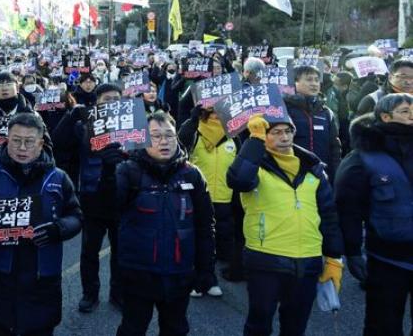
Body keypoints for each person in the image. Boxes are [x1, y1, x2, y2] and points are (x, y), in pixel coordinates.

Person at [0, 112, 82, 335]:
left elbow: (76, 216)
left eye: (29, 142)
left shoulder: (58, 177)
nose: (22, 147)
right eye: (16, 140)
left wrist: (58, 229)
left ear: (40, 143)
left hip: (41, 276)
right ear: (6, 140)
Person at [226, 115, 344, 336]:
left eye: (288, 131)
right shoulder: (256, 167)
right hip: (266, 258)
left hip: (308, 261)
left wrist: (334, 258)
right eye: (275, 132)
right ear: (264, 135)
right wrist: (254, 141)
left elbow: (328, 216)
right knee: (258, 325)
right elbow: (238, 179)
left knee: (295, 326)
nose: (284, 137)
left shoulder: (313, 169)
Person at [114, 112, 215, 336]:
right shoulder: (128, 171)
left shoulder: (192, 175)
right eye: (155, 136)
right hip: (138, 273)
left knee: (176, 328)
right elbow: (106, 209)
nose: (163, 141)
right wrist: (106, 173)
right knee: (132, 328)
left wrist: (205, 268)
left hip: (179, 273)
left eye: (169, 135)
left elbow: (205, 226)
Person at [335, 93, 413, 336]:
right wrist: (352, 251)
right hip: (387, 258)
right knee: (383, 325)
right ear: (385, 116)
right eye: (405, 112)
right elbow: (347, 209)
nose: (412, 117)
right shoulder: (362, 158)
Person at [51, 83, 127, 312]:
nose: (112, 102)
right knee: (90, 250)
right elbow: (59, 142)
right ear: (97, 103)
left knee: (121, 250)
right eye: (106, 99)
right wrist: (71, 115)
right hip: (92, 193)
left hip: (124, 194)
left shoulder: (132, 123)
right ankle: (89, 293)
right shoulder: (84, 124)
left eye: (117, 98)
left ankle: (118, 293)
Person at [177, 103, 236, 298]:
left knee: (213, 241)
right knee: (196, 240)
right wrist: (193, 118)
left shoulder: (234, 134)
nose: (217, 115)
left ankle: (209, 279)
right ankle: (195, 280)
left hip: (226, 198)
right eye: (213, 111)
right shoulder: (196, 131)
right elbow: (181, 141)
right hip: (198, 196)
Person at [283, 65, 342, 180]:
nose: (314, 84)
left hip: (322, 174)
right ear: (295, 82)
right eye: (309, 79)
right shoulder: (285, 110)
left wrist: (336, 173)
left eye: (316, 80)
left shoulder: (326, 112)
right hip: (293, 174)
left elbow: (334, 146)